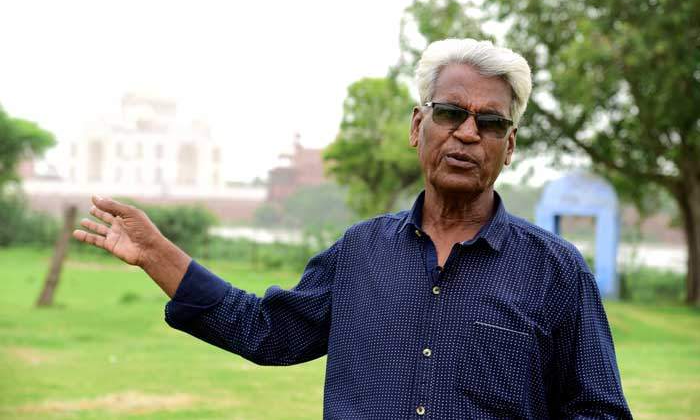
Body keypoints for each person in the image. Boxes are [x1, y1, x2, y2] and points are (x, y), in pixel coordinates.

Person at [74, 38, 632, 419]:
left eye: (490, 122)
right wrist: (157, 255)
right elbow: (267, 332)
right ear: (419, 126)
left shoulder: (554, 272)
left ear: (508, 147)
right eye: (449, 113)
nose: (466, 133)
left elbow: (599, 409)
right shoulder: (361, 251)